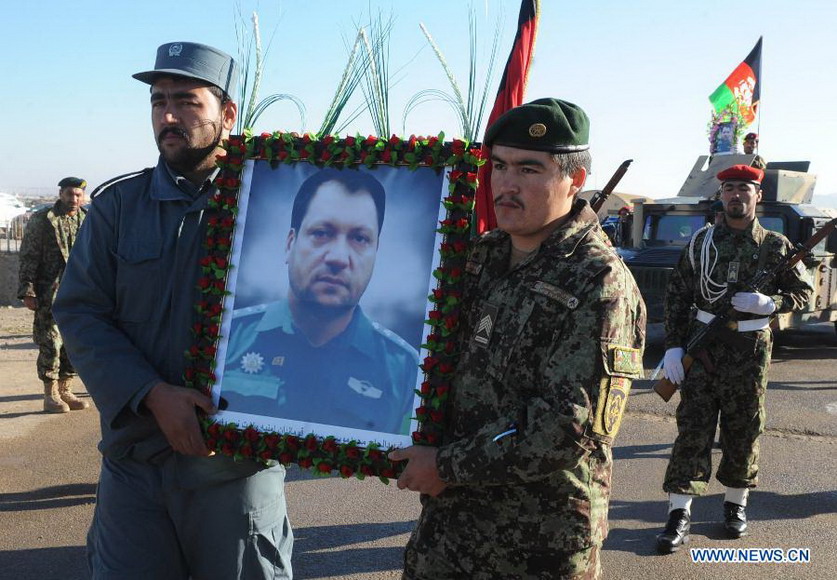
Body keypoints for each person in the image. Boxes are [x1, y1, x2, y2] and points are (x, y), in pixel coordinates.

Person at [52, 42, 293, 579]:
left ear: (227, 113)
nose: (168, 115)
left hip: (234, 470)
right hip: (135, 465)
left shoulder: (272, 202)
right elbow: (81, 311)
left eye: (187, 101)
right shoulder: (118, 207)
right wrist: (152, 395)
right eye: (159, 101)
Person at [389, 98, 647, 578]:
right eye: (500, 166)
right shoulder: (480, 257)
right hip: (450, 527)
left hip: (537, 541)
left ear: (575, 179)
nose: (506, 184)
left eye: (530, 169)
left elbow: (567, 426)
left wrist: (445, 466)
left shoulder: (598, 282)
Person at [656, 164, 812, 553]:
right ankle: (679, 514)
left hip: (749, 354)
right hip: (703, 350)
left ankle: (735, 506)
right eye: (729, 189)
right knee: (693, 429)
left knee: (744, 429)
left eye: (745, 188)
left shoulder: (775, 247)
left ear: (758, 196)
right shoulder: (700, 244)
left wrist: (771, 303)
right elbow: (677, 296)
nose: (736, 195)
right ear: (720, 196)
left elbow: (804, 294)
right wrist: (674, 346)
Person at [221, 168, 419, 434]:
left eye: (360, 239)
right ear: (290, 243)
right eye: (322, 233)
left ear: (375, 254)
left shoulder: (405, 371)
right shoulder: (227, 337)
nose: (338, 257)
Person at [18, 177, 89, 413]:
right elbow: (29, 255)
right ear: (61, 194)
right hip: (49, 292)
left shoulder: (87, 220)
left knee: (73, 341)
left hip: (78, 294)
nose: (74, 199)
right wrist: (28, 290)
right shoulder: (44, 220)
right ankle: (50, 395)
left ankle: (66, 390)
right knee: (50, 342)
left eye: (78, 194)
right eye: (70, 194)